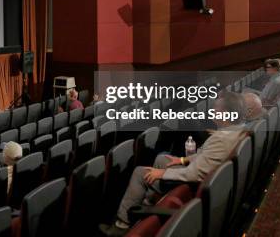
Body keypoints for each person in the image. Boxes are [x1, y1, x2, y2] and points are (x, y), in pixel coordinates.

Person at [99, 91, 247, 236]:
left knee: (139, 172)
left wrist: (162, 173)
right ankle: (148, 202)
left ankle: (121, 225)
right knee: (163, 159)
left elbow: (194, 174)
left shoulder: (221, 139)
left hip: (193, 183)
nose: (212, 111)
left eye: (216, 109)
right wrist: (183, 160)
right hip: (205, 173)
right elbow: (208, 156)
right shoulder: (237, 130)